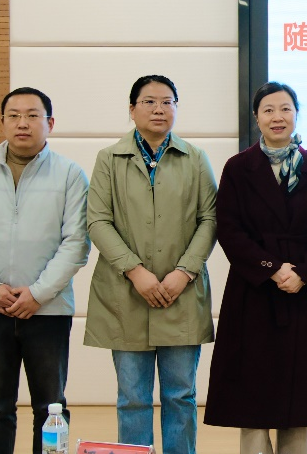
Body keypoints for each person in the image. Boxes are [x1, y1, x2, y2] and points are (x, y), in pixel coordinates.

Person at [205, 82, 307, 454]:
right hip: (253, 291)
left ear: (296, 114)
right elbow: (229, 228)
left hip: (304, 293)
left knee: (300, 401)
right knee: (251, 397)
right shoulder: (238, 168)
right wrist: (270, 268)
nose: (277, 117)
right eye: (268, 110)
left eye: (285, 109)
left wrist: (303, 273)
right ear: (257, 118)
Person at [0, 87, 89, 454]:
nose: (22, 123)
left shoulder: (70, 174)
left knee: (50, 407)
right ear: (3, 122)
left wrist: (38, 293)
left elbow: (76, 242)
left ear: (50, 123)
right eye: (13, 116)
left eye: (32, 115)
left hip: (48, 309)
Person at [83, 75, 218, 454]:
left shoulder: (195, 158)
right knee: (132, 397)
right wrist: (135, 271)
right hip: (126, 293)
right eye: (149, 101)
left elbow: (210, 218)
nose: (159, 109)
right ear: (132, 109)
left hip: (182, 295)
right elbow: (97, 220)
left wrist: (184, 272)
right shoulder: (109, 159)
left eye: (167, 102)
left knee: (181, 395)